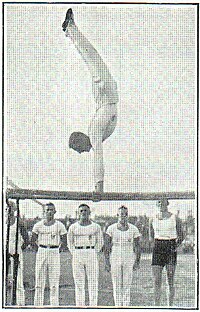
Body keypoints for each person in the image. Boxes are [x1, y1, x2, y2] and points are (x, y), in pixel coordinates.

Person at [62, 9, 119, 193]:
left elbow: (98, 157)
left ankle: (70, 28)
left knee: (89, 55)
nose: (83, 153)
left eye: (79, 149)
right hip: (105, 96)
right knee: (89, 57)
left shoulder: (94, 133)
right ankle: (70, 30)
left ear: (82, 140)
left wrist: (99, 186)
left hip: (105, 94)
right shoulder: (95, 132)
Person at [31, 203, 67, 306]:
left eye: (51, 210)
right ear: (44, 212)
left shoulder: (59, 225)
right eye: (47, 210)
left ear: (55, 212)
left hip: (54, 251)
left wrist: (58, 250)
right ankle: (37, 305)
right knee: (39, 280)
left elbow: (64, 240)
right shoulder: (38, 225)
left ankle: (54, 305)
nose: (49, 212)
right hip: (42, 250)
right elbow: (33, 240)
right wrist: (39, 249)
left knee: (54, 281)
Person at [67, 204, 104, 306]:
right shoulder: (73, 227)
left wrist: (93, 252)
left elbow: (100, 242)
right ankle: (80, 306)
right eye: (81, 211)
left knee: (93, 282)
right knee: (79, 283)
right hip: (77, 253)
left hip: (91, 252)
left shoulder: (96, 226)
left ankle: (93, 306)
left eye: (85, 211)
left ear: (89, 213)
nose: (83, 213)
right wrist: (74, 252)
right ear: (78, 213)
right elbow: (69, 242)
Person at [104, 206, 141, 306]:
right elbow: (107, 247)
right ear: (117, 215)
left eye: (125, 214)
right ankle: (118, 306)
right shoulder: (111, 228)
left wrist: (137, 261)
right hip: (115, 254)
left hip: (128, 254)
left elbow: (137, 246)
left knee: (127, 284)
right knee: (116, 284)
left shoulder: (134, 229)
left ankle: (126, 306)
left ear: (127, 215)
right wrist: (107, 262)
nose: (123, 217)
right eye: (121, 214)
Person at [150, 199, 184, 306]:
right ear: (157, 204)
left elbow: (181, 235)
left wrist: (174, 246)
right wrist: (156, 245)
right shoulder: (152, 219)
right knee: (157, 281)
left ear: (167, 204)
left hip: (170, 246)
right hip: (158, 247)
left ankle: (170, 306)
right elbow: (151, 234)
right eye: (159, 202)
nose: (161, 204)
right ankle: (157, 306)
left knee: (170, 279)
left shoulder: (175, 218)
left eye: (163, 202)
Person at [6, 200, 29, 306]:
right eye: (6, 208)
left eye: (11, 208)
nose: (8, 210)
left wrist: (19, 249)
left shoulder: (19, 222)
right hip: (4, 251)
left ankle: (20, 304)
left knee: (18, 279)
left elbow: (26, 239)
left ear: (14, 209)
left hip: (16, 251)